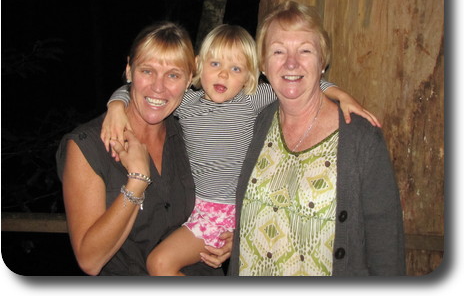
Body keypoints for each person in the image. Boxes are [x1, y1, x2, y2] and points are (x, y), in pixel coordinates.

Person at [101, 24, 381, 276]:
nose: (223, 73)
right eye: (215, 63)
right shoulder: (186, 102)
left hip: (229, 210)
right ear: (198, 66)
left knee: (159, 264)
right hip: (196, 209)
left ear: (250, 75)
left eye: (236, 69)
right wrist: (115, 106)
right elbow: (133, 88)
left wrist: (341, 95)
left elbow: (302, 84)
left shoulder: (251, 99)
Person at [227, 0, 405, 276]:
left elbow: (385, 246)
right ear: (263, 63)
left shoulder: (361, 137)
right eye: (278, 51)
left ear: (323, 61)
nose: (291, 62)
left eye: (305, 50)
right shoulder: (261, 120)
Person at [56, 21, 231, 276]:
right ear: (129, 70)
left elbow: (225, 192)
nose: (158, 87)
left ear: (189, 78)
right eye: (147, 71)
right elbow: (89, 260)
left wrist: (229, 236)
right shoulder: (87, 146)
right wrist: (137, 180)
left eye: (173, 75)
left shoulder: (193, 133)